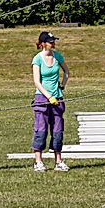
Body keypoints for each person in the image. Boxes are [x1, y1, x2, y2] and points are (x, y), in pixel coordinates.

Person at [31, 31, 71, 172]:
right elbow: (37, 82)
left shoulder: (57, 56)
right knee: (41, 129)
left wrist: (62, 85)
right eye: (50, 42)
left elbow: (67, 71)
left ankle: (58, 161)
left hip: (57, 98)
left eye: (53, 41)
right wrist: (49, 97)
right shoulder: (37, 59)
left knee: (57, 130)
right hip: (42, 98)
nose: (53, 43)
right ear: (43, 44)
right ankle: (38, 161)